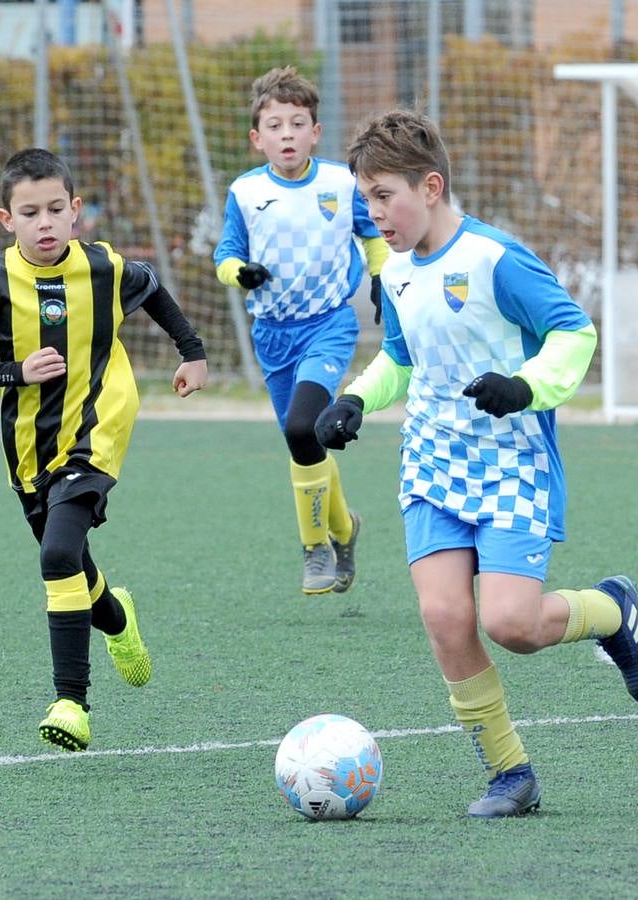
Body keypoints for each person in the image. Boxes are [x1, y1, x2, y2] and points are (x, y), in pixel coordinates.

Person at [316, 109, 638, 818]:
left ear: (431, 186)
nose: (375, 213)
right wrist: (355, 397)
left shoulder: (496, 259)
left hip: (511, 465)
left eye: (385, 196)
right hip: (432, 466)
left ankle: (611, 609)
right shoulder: (398, 274)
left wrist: (525, 387)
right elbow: (402, 360)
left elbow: (575, 332)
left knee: (514, 625)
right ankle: (511, 773)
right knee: (445, 617)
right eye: (367, 200)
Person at [0, 148, 208, 752]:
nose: (45, 224)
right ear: (6, 219)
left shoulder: (104, 268)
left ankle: (72, 702)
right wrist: (16, 371)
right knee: (70, 562)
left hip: (98, 425)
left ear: (75, 211)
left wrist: (190, 352)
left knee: (57, 552)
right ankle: (116, 618)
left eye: (55, 210)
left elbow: (154, 289)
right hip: (29, 447)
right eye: (29, 212)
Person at [214, 66, 389, 596]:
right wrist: (239, 274)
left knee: (301, 431)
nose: (286, 134)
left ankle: (315, 549)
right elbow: (225, 255)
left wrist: (381, 277)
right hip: (273, 334)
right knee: (307, 440)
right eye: (274, 125)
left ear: (315, 132)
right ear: (257, 137)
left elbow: (373, 234)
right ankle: (345, 529)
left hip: (329, 326)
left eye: (297, 123)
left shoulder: (340, 183)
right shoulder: (245, 192)